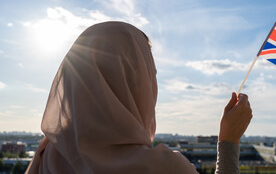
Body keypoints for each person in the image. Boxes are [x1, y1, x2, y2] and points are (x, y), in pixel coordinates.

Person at [25, 22, 252, 174]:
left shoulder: (48, 158)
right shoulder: (163, 169)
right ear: (136, 85)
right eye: (148, 74)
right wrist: (229, 142)